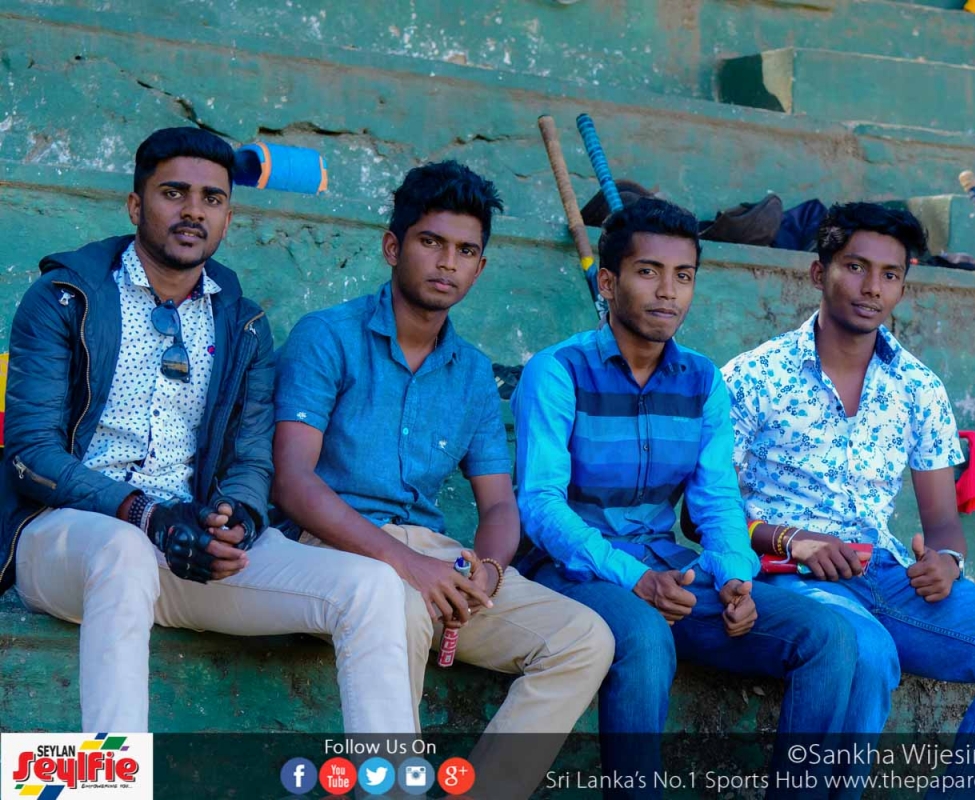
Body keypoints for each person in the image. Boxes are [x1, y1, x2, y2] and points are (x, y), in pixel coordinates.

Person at [0, 127, 414, 733]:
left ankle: (387, 779)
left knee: (372, 584)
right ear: (136, 205)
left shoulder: (243, 323)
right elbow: (30, 453)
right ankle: (110, 778)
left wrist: (234, 519)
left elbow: (251, 461)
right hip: (67, 544)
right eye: (174, 193)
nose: (194, 211)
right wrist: (144, 513)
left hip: (187, 550)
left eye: (212, 199)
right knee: (122, 552)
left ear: (227, 217)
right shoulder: (64, 297)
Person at [271, 160, 614, 798]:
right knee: (392, 602)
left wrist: (488, 570)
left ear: (480, 268)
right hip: (338, 549)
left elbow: (500, 506)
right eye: (431, 242)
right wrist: (407, 565)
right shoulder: (327, 337)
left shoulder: (472, 373)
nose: (447, 263)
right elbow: (292, 483)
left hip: (439, 560)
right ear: (393, 247)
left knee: (584, 638)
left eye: (466, 251)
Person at [514, 198, 858, 799]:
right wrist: (635, 579)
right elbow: (541, 507)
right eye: (648, 272)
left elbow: (717, 502)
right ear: (608, 282)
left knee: (829, 636)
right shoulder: (557, 371)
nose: (668, 292)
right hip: (571, 570)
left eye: (683, 275)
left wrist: (735, 576)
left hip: (670, 569)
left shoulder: (702, 380)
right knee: (645, 635)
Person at [722, 202, 975, 794]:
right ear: (819, 271)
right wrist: (792, 540)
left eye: (890, 274)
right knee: (869, 650)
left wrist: (946, 561)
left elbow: (943, 524)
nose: (872, 288)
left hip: (882, 574)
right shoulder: (754, 376)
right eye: (855, 267)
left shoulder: (918, 387)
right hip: (789, 574)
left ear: (903, 286)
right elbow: (705, 513)